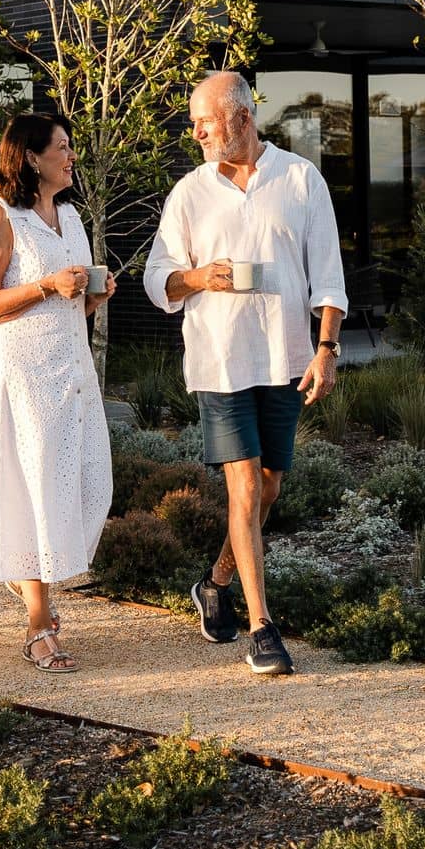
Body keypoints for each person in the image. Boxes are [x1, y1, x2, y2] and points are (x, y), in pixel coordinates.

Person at [143, 69, 346, 677]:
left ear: (242, 118)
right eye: (195, 122)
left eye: (205, 120)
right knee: (246, 488)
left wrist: (327, 348)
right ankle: (263, 628)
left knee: (271, 486)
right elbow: (159, 280)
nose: (197, 131)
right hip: (221, 361)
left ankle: (215, 582)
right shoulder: (189, 193)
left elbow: (329, 273)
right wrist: (200, 277)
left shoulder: (300, 178)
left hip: (284, 358)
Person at [0, 113, 113, 672]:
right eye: (63, 147)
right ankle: (38, 622)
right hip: (24, 377)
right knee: (33, 492)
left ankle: (35, 591)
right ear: (31, 158)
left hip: (71, 372)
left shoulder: (71, 216)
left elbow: (67, 301)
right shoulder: (1, 217)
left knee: (87, 486)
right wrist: (47, 285)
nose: (71, 155)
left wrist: (92, 297)